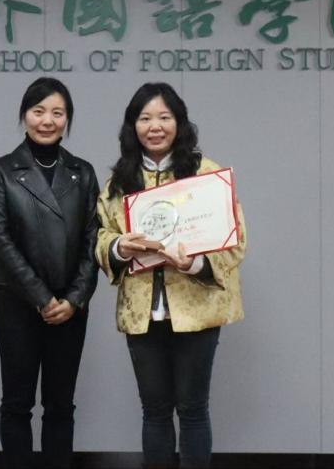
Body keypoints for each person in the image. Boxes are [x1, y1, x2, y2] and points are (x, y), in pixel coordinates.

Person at [95, 82, 246, 469]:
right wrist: (118, 247)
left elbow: (236, 242)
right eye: (145, 118)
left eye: (164, 117)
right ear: (133, 126)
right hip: (142, 314)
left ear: (180, 123)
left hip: (197, 312)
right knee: (154, 411)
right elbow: (101, 237)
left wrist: (193, 263)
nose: (155, 126)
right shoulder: (118, 183)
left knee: (193, 410)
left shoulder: (206, 175)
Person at [0, 77, 100, 469]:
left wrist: (74, 299)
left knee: (61, 405)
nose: (47, 120)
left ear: (67, 120)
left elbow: (93, 241)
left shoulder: (83, 173)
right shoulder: (1, 171)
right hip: (17, 306)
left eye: (57, 113)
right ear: (24, 116)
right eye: (38, 111)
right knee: (17, 404)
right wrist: (42, 298)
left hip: (70, 309)